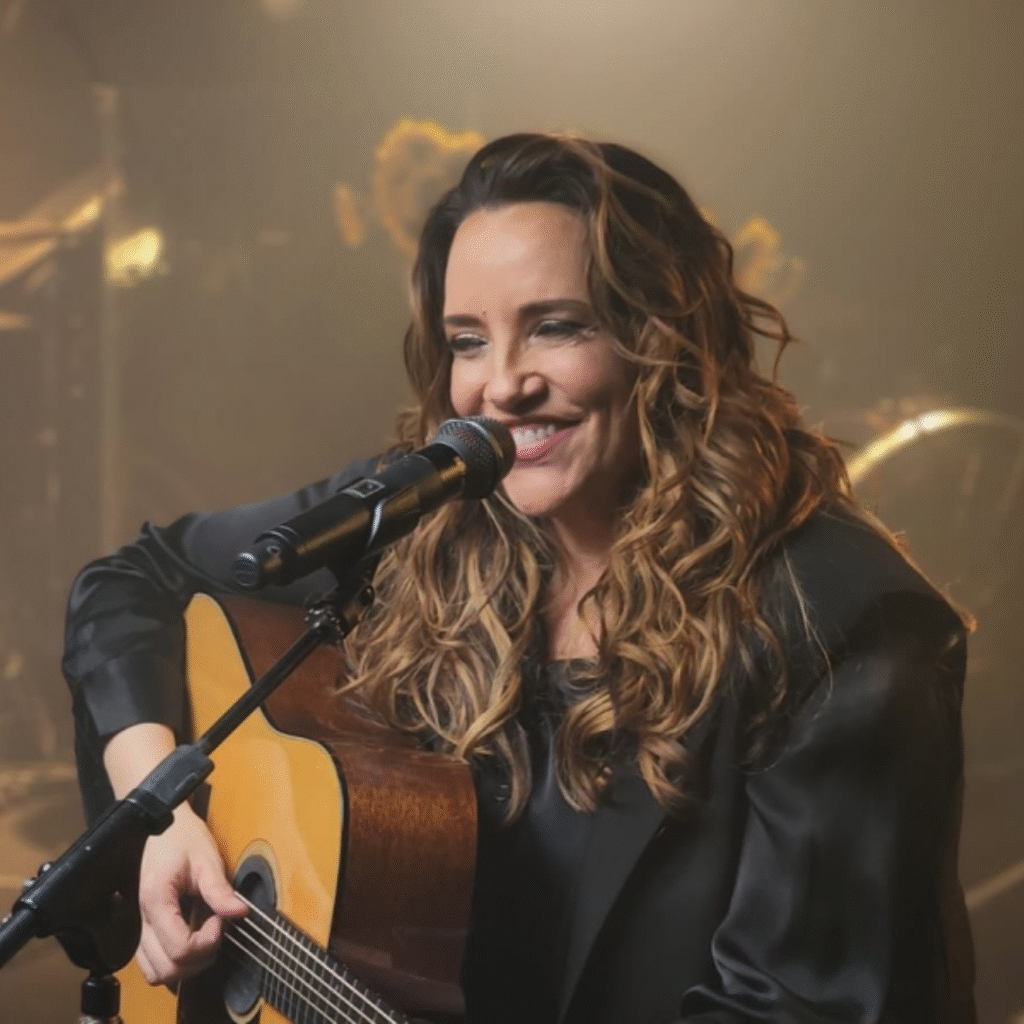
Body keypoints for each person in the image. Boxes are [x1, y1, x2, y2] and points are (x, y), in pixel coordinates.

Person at [62, 132, 976, 1023]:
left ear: (665, 338)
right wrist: (162, 816)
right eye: (468, 340)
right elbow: (133, 583)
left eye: (555, 327)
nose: (500, 387)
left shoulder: (845, 623)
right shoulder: (428, 515)